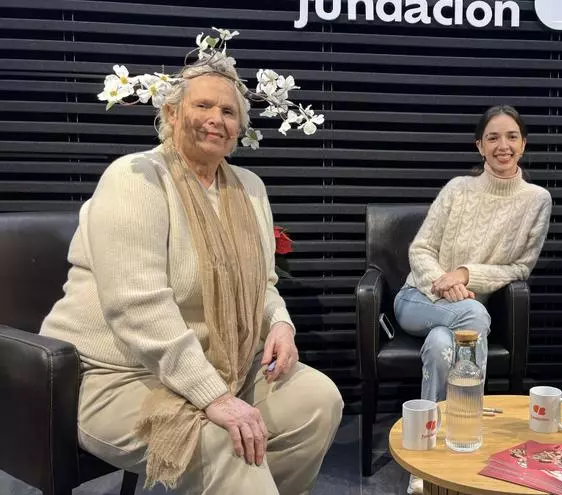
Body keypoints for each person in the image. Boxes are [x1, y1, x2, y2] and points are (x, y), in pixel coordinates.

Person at [39, 37, 342, 495]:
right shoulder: (134, 178)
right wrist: (214, 397)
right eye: (203, 106)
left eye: (228, 112)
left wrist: (279, 324)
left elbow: (261, 282)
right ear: (172, 114)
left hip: (223, 364)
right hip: (118, 375)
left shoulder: (250, 187)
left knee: (320, 401)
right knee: (231, 446)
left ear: (241, 125)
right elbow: (137, 308)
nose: (216, 120)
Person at [395, 105, 552, 494]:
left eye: (511, 137)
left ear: (524, 144)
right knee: (473, 314)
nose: (503, 145)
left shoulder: (537, 200)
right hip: (418, 298)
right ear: (480, 146)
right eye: (493, 138)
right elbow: (421, 249)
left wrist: (466, 274)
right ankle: (469, 432)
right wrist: (443, 282)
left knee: (440, 347)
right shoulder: (457, 189)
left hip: (465, 311)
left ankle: (426, 459)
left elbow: (521, 266)